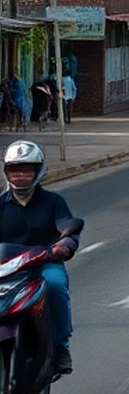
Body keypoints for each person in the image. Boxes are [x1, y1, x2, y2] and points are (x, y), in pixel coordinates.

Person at [0, 141, 83, 374]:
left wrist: (65, 244)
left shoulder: (54, 202)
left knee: (55, 286)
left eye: (27, 170)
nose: (21, 176)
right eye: (15, 170)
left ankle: (60, 346)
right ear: (7, 172)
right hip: (6, 269)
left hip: (44, 265)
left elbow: (67, 227)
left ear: (39, 171)